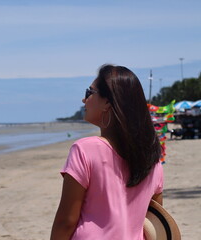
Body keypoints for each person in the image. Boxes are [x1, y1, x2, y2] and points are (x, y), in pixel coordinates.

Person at [50, 64, 163, 240]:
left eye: (89, 93)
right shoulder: (153, 160)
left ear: (108, 102)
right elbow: (155, 222)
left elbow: (66, 221)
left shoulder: (85, 150)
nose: (84, 100)